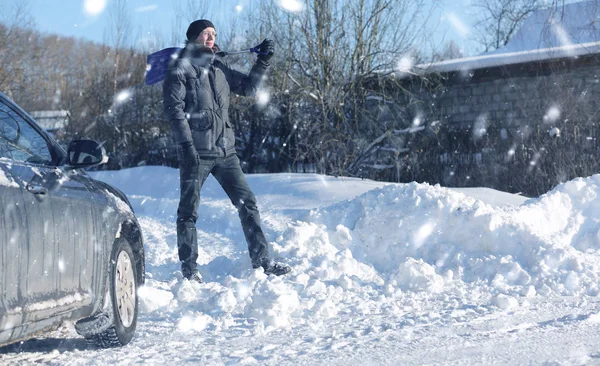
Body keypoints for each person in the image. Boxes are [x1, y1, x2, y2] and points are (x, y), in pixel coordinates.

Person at [163, 19, 291, 283]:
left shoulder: (219, 66)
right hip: (195, 152)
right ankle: (189, 270)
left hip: (225, 151)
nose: (211, 38)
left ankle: (262, 261)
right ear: (193, 37)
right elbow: (173, 110)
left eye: (213, 34)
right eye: (205, 34)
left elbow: (249, 88)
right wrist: (186, 146)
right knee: (188, 211)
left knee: (248, 203)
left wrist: (263, 62)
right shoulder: (180, 67)